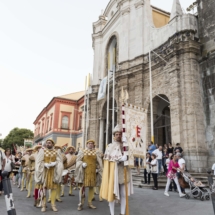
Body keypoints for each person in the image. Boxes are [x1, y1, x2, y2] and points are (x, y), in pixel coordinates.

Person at [100, 125, 133, 215]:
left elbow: (131, 156)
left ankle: (122, 213)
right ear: (114, 136)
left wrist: (127, 151)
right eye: (117, 134)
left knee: (123, 194)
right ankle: (112, 213)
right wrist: (118, 159)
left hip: (123, 172)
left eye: (120, 134)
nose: (118, 135)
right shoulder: (109, 146)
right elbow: (108, 159)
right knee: (112, 193)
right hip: (113, 172)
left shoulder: (126, 145)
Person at [35, 139, 63, 212]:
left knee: (54, 189)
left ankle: (53, 205)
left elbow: (60, 161)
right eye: (47, 143)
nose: (48, 144)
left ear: (53, 144)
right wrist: (44, 164)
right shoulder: (42, 151)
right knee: (44, 189)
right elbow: (38, 162)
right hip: (45, 172)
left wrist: (55, 163)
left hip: (53, 172)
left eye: (49, 143)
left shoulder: (56, 152)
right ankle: (43, 205)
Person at [75, 139, 103, 211]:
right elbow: (78, 160)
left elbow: (99, 162)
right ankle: (81, 203)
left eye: (92, 143)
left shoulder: (96, 152)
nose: (90, 144)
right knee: (82, 188)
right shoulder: (82, 151)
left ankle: (90, 203)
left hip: (93, 172)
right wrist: (82, 164)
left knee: (91, 188)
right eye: (89, 143)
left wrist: (98, 168)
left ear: (93, 145)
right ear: (87, 144)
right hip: (85, 172)